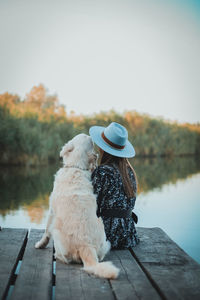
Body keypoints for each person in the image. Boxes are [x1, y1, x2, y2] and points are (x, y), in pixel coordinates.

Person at [89, 122, 139, 249]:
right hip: (129, 234)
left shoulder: (102, 172)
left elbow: (92, 208)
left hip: (107, 235)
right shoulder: (130, 172)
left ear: (102, 148)